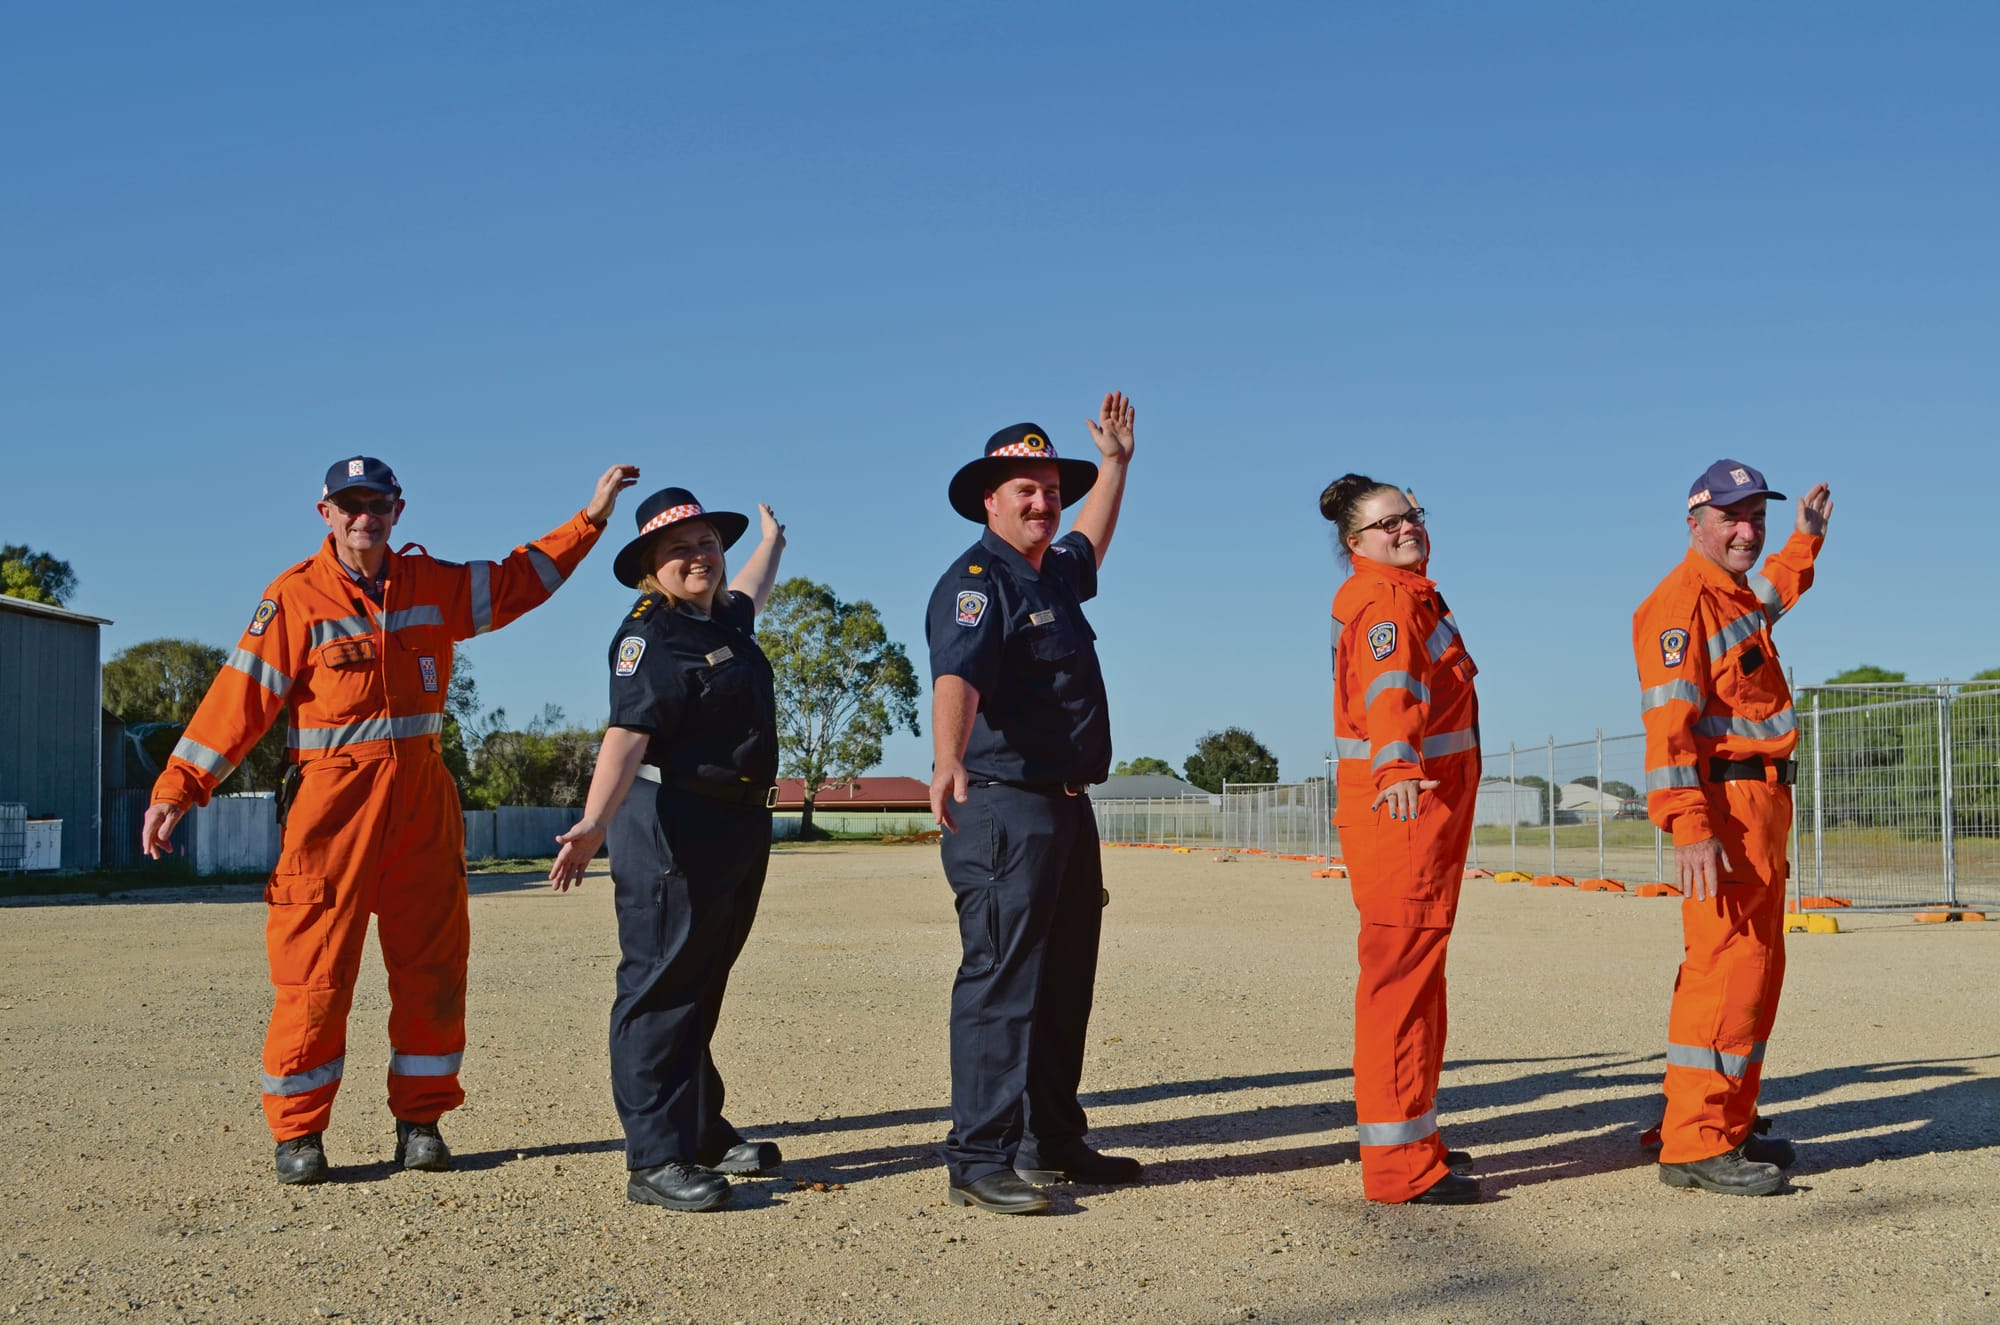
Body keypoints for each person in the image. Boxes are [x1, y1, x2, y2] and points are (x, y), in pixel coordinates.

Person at [141, 456, 640, 1185]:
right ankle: (300, 1133)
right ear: (326, 513)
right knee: (313, 973)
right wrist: (179, 784)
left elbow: (516, 580)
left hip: (422, 807)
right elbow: (240, 697)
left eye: (377, 502)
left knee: (433, 966)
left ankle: (422, 1122)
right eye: (350, 503)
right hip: (328, 813)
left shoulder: (431, 585)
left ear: (398, 510)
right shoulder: (294, 598)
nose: (364, 515)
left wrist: (590, 519)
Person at [924, 395, 1138, 1216]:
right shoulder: (977, 583)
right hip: (1004, 805)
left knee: (1064, 978)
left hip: (1067, 807)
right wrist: (947, 756)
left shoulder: (1052, 571)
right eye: (1027, 489)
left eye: (1052, 488)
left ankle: (1049, 1138)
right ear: (990, 498)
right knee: (1002, 978)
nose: (1044, 501)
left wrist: (1113, 466)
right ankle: (978, 1157)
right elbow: (959, 675)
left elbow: (1095, 540)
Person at [548, 487, 788, 1213]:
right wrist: (593, 822)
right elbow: (626, 736)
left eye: (707, 543)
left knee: (703, 980)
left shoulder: (722, 616)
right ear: (652, 566)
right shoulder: (649, 634)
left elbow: (750, 588)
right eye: (679, 549)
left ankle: (699, 1129)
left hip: (733, 824)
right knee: (659, 987)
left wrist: (772, 539)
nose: (700, 558)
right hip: (668, 819)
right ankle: (654, 1157)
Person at [1633, 460, 1833, 1196]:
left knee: (1753, 973)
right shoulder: (1681, 605)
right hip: (1721, 809)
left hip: (1760, 810)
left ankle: (1727, 1121)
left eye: (1757, 514)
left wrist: (1806, 538)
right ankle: (1695, 1141)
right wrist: (1688, 826)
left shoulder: (1736, 597)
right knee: (1724, 971)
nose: (1747, 529)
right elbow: (1669, 732)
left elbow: (1776, 589)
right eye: (1731, 517)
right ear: (1696, 525)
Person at [1323, 474, 1483, 1206]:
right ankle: (1399, 1167)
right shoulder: (1387, 599)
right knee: (1401, 989)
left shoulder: (1410, 594)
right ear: (1356, 544)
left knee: (1421, 986)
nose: (1405, 529)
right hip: (1404, 815)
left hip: (1421, 817)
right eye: (1387, 524)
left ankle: (1417, 1140)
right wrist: (1395, 764)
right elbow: (1392, 689)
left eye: (1411, 516)